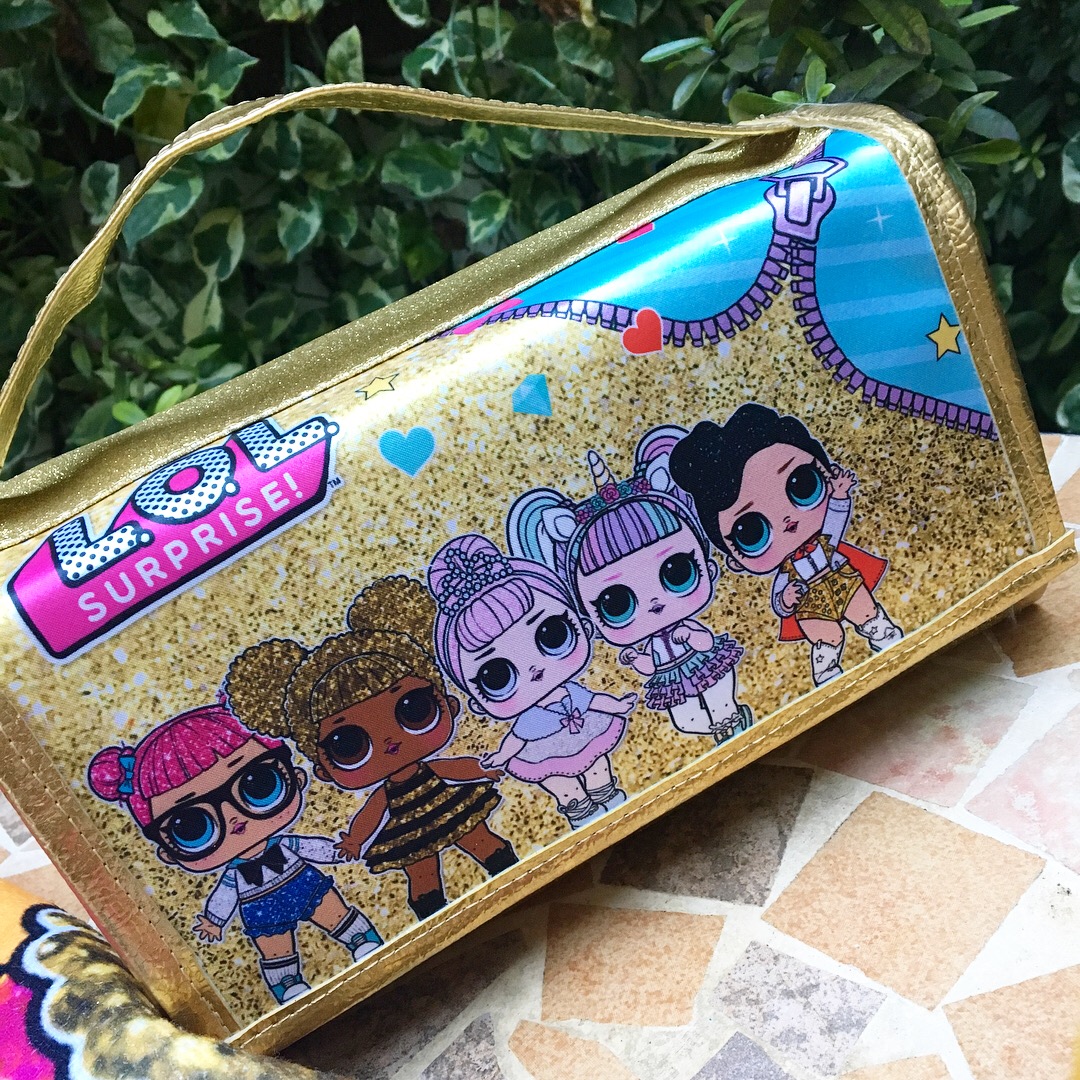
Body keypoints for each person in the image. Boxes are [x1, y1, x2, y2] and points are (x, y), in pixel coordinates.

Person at [224, 577, 517, 922]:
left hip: (451, 806)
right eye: (348, 745)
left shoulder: (429, 770)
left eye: (413, 709)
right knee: (421, 871)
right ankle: (433, 914)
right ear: (323, 770)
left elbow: (451, 769)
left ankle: (507, 870)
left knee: (480, 839)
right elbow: (374, 810)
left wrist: (481, 769)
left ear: (449, 705)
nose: (391, 743)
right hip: (406, 827)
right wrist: (355, 839)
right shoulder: (386, 792)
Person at [86, 704, 381, 1004]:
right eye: (192, 826)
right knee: (275, 948)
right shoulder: (233, 877)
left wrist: (340, 850)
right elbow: (224, 896)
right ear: (168, 854)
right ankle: (289, 984)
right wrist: (214, 921)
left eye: (259, 784)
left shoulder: (286, 846)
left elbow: (309, 847)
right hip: (261, 909)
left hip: (304, 885)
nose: (235, 819)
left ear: (296, 777)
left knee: (334, 913)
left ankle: (361, 940)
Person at [507, 426, 752, 744]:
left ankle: (732, 721)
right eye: (616, 604)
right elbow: (651, 666)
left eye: (678, 573)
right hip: (670, 677)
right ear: (588, 619)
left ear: (708, 567)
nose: (655, 604)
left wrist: (693, 636)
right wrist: (639, 661)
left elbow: (706, 643)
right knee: (686, 717)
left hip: (702, 665)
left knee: (720, 696)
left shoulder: (686, 626)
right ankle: (718, 735)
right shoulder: (650, 645)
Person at [669, 403, 903, 686]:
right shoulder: (787, 573)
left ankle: (883, 634)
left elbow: (835, 522)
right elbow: (780, 602)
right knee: (829, 636)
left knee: (864, 610)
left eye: (802, 485)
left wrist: (840, 496)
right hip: (809, 604)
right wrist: (785, 600)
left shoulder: (825, 542)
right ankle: (827, 670)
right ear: (733, 559)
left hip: (844, 581)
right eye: (751, 533)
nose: (788, 521)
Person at [430, 533, 636, 831]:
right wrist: (502, 755)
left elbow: (594, 701)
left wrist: (617, 705)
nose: (535, 670)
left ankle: (607, 794)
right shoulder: (530, 719)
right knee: (562, 784)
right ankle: (579, 810)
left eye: (553, 635)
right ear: (477, 702)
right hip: (543, 753)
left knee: (597, 767)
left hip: (585, 735)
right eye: (497, 677)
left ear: (583, 625)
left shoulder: (572, 693)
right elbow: (516, 739)